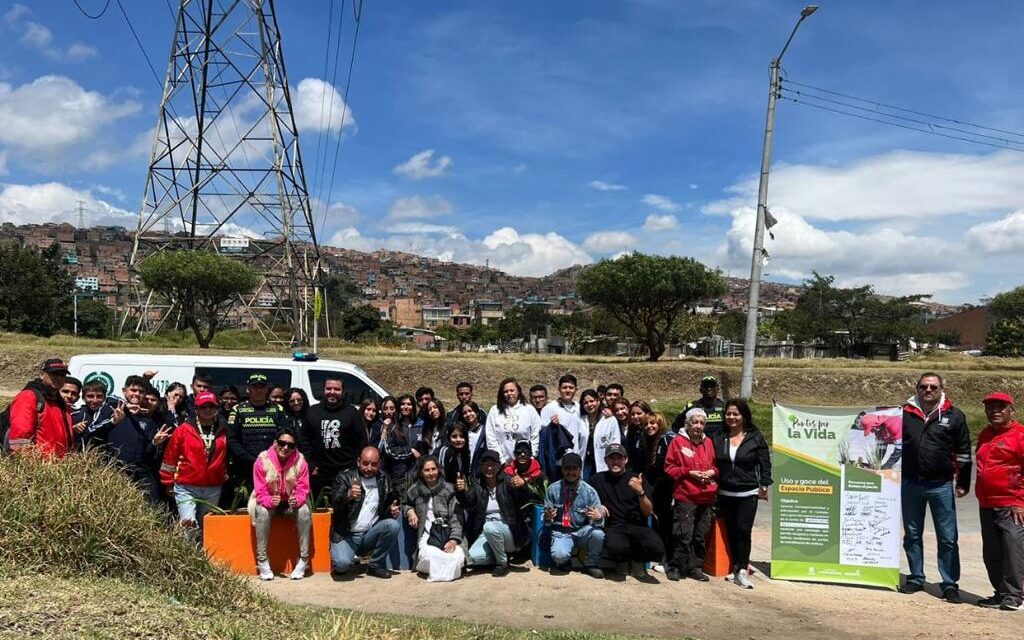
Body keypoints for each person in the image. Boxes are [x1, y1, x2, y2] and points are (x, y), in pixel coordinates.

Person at [899, 372, 972, 603]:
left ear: (941, 389)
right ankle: (916, 578)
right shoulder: (903, 413)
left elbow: (963, 452)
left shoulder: (954, 415)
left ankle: (949, 584)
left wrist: (962, 482)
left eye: (933, 387)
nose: (928, 390)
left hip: (941, 485)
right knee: (911, 535)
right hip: (911, 484)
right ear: (916, 388)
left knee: (948, 538)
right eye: (924, 386)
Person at [713, 399, 771, 589]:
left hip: (748, 492)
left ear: (744, 416)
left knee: (743, 531)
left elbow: (764, 463)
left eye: (736, 414)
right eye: (728, 414)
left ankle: (742, 570)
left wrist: (764, 484)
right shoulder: (719, 436)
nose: (732, 417)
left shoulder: (755, 437)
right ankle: (734, 567)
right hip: (725, 491)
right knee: (730, 531)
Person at [974, 392, 1024, 611]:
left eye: (1000, 407)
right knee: (992, 553)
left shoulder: (1020, 435)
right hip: (986, 503)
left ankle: (1014, 596)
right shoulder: (985, 434)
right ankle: (1000, 593)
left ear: (1011, 411)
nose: (995, 411)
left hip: (1012, 504)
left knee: (1013, 551)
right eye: (990, 407)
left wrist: (1020, 500)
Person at [159, 391, 228, 537]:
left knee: (206, 526)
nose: (208, 410)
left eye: (211, 406)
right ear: (196, 409)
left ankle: (203, 557)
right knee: (188, 524)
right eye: (203, 407)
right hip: (186, 485)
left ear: (217, 408)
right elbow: (170, 457)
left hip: (213, 486)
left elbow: (229, 454)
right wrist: (168, 482)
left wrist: (225, 472)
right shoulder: (183, 429)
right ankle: (188, 556)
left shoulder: (224, 430)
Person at [94, 376, 172, 503]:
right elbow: (92, 433)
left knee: (153, 506)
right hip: (115, 471)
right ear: (124, 391)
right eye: (133, 390)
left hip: (141, 472)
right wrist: (112, 421)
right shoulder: (111, 407)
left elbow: (147, 452)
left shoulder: (148, 419)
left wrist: (154, 443)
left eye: (141, 392)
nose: (137, 394)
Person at [590, 443, 662, 580]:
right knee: (616, 547)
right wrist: (598, 507)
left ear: (626, 460)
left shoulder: (636, 479)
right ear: (606, 460)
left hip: (638, 525)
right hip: (614, 527)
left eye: (619, 458)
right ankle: (622, 562)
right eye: (611, 458)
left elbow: (648, 512)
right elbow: (586, 501)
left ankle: (637, 561)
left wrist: (640, 492)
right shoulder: (597, 480)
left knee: (656, 547)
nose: (615, 462)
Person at [249, 426, 311, 581]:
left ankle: (303, 559)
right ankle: (262, 561)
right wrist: (270, 500)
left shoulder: (301, 462)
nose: (285, 447)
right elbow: (260, 490)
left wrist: (297, 499)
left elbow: (303, 488)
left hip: (291, 505)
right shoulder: (262, 460)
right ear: (275, 442)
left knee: (304, 511)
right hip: (269, 504)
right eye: (282, 443)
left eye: (290, 445)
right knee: (261, 511)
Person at [329, 446, 401, 579]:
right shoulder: (345, 477)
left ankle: (375, 565)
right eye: (365, 463)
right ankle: (346, 555)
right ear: (358, 462)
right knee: (341, 565)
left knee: (393, 525)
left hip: (369, 534)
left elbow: (389, 504)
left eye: (374, 464)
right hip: (346, 535)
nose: (369, 468)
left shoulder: (383, 479)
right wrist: (348, 496)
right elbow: (334, 503)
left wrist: (392, 510)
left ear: (379, 463)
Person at [664, 407, 717, 582]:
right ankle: (676, 567)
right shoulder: (678, 442)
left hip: (706, 496)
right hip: (686, 495)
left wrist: (711, 472)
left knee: (700, 535)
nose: (698, 426)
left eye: (702, 423)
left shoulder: (708, 442)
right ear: (687, 424)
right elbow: (669, 468)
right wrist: (689, 472)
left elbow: (716, 466)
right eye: (695, 422)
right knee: (683, 534)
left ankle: (695, 567)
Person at [460, 449, 531, 576]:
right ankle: (501, 554)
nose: (489, 468)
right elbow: (468, 504)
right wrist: (460, 492)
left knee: (490, 527)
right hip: (486, 533)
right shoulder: (477, 484)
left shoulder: (509, 481)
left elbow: (524, 501)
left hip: (509, 531)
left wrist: (523, 486)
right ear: (481, 467)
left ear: (499, 466)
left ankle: (502, 563)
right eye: (485, 465)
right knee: (473, 557)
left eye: (493, 464)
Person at [303, 376, 367, 501]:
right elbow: (304, 441)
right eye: (329, 388)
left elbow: (362, 442)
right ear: (324, 390)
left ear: (343, 392)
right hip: (319, 473)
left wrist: (355, 467)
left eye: (336, 389)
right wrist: (310, 464)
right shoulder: (312, 412)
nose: (332, 392)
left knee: (344, 511)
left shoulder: (352, 413)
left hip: (346, 473)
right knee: (320, 512)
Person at [543, 453, 606, 579]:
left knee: (598, 534)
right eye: (567, 468)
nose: (570, 472)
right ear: (562, 470)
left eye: (574, 469)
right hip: (562, 532)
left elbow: (600, 523)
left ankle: (591, 564)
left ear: (580, 470)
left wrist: (598, 517)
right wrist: (548, 517)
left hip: (582, 531)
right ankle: (565, 560)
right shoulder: (552, 490)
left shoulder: (590, 492)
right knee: (559, 556)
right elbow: (546, 522)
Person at [404, 455, 466, 582]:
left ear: (438, 470)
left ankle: (443, 572)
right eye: (427, 470)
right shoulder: (415, 489)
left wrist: (454, 539)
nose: (431, 473)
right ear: (421, 472)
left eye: (433, 469)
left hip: (447, 533)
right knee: (427, 557)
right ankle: (445, 572)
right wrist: (410, 511)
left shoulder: (449, 489)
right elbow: (405, 503)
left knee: (457, 557)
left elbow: (456, 516)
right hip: (427, 534)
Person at [227, 372, 290, 494]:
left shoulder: (277, 409)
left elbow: (287, 435)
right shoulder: (238, 410)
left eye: (262, 387)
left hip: (273, 465)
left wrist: (274, 457)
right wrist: (248, 458)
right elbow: (232, 439)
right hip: (245, 467)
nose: (259, 390)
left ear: (267, 389)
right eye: (255, 386)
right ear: (248, 389)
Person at [7, 358, 74, 458]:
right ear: (42, 375)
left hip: (58, 467)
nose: (58, 378)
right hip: (39, 467)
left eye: (62, 375)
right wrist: (28, 464)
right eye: (54, 374)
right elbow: (19, 437)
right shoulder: (29, 397)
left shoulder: (60, 402)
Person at [640, 412, 676, 567]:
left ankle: (668, 560)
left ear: (660, 423)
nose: (649, 426)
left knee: (668, 525)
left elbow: (673, 466)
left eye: (653, 423)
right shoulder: (650, 441)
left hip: (669, 489)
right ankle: (662, 558)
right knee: (660, 523)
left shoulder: (668, 439)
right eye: (646, 424)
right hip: (658, 489)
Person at [539, 374, 587, 482]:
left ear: (576, 390)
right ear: (559, 389)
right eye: (564, 388)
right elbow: (543, 438)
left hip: (576, 458)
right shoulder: (549, 409)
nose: (568, 390)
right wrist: (551, 427)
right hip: (558, 462)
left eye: (571, 388)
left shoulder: (580, 408)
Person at [486, 378, 542, 463]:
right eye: (506, 391)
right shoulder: (495, 410)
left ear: (518, 391)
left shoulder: (529, 410)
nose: (509, 393)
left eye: (512, 390)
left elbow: (536, 435)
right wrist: (501, 460)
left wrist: (532, 457)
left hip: (525, 462)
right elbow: (491, 437)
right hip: (503, 463)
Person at [591, 396, 624, 475]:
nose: (589, 404)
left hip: (609, 464)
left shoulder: (610, 419)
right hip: (591, 463)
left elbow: (615, 444)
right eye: (586, 402)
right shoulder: (582, 417)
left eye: (592, 401)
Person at [456, 401, 488, 476]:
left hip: (481, 472)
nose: (468, 414)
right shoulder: (462, 433)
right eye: (464, 413)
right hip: (465, 472)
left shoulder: (485, 430)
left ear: (476, 412)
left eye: (470, 411)